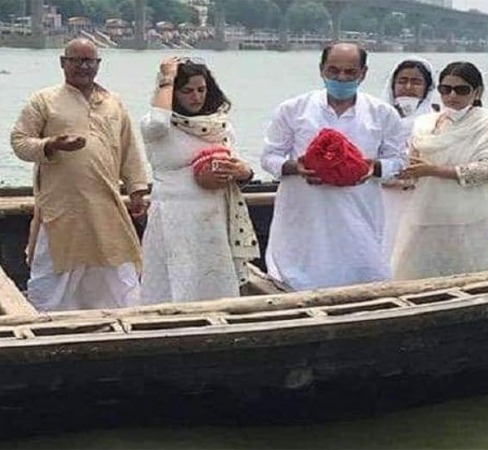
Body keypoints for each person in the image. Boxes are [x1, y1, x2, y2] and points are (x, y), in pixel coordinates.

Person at [10, 38, 148, 311]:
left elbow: (130, 149)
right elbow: (19, 142)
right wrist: (51, 145)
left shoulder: (113, 103)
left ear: (98, 65)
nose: (84, 67)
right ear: (63, 63)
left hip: (105, 205)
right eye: (77, 60)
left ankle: (117, 323)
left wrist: (137, 190)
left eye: (89, 61)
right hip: (62, 205)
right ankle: (51, 326)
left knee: (117, 273)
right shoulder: (44, 100)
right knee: (55, 272)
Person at [261, 42, 408, 291]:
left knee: (365, 278)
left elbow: (399, 160)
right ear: (321, 70)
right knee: (298, 280)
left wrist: (375, 168)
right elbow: (269, 157)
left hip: (359, 212)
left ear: (363, 73)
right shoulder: (293, 109)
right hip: (306, 213)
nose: (341, 77)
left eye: (350, 72)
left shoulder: (383, 113)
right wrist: (296, 167)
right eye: (334, 71)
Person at [140, 56, 258, 304]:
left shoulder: (219, 126)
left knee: (215, 282)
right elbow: (159, 121)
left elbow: (239, 167)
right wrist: (166, 79)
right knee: (174, 282)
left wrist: (243, 172)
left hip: (213, 216)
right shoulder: (156, 126)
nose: (196, 97)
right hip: (174, 216)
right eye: (187, 91)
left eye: (201, 90)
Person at [391, 61, 488, 280]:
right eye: (445, 89)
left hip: (470, 216)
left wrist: (432, 170)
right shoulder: (425, 123)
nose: (452, 96)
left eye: (461, 90)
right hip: (426, 212)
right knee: (412, 276)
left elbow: (487, 170)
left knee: (470, 278)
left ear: (477, 91)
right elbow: (413, 165)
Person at [381, 56, 437, 259]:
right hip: (382, 196)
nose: (408, 87)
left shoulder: (439, 120)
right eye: (402, 81)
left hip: (421, 196)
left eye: (416, 82)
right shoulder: (377, 116)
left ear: (428, 88)